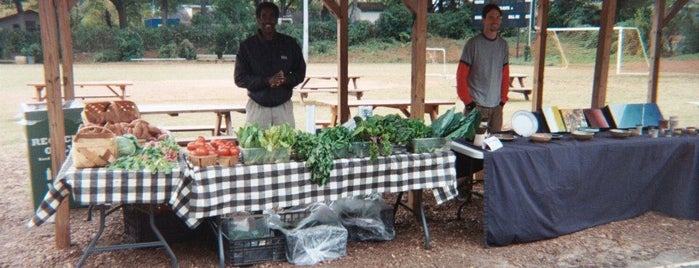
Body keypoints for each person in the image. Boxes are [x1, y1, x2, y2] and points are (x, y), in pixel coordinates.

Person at [235, 2, 306, 128]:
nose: (268, 20)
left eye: (272, 16)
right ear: (258, 20)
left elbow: (300, 73)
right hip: (257, 107)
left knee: (287, 146)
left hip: (283, 107)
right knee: (255, 147)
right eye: (264, 16)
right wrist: (267, 81)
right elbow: (240, 79)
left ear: (276, 19)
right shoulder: (247, 46)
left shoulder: (289, 44)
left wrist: (285, 80)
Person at [456, 3, 510, 133]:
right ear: (484, 20)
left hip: (496, 107)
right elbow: (461, 75)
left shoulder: (503, 45)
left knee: (494, 147)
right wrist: (468, 102)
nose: (495, 20)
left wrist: (503, 100)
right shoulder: (473, 44)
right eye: (491, 17)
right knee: (472, 146)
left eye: (498, 17)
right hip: (476, 106)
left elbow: (505, 74)